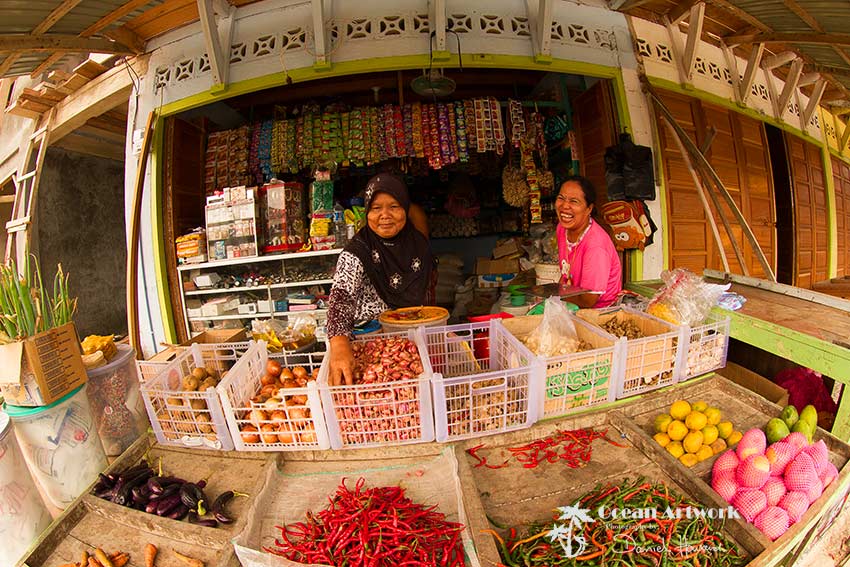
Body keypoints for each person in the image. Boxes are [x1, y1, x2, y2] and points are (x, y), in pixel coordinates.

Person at [327, 173, 434, 385]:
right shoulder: (358, 250)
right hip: (371, 346)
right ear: (367, 212)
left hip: (411, 345)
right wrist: (339, 345)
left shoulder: (417, 242)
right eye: (376, 208)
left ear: (405, 208)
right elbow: (341, 296)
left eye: (394, 206)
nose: (385, 215)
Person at [555, 175, 622, 308]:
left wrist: (557, 296)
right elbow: (566, 273)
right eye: (561, 198)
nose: (565, 206)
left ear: (589, 209)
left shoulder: (596, 246)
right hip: (572, 301)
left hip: (598, 312)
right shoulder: (562, 229)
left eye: (574, 201)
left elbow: (588, 301)